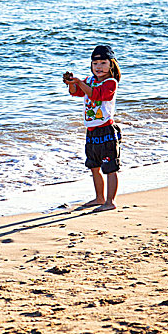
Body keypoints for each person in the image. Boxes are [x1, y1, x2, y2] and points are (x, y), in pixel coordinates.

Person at [63, 45, 122, 212]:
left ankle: (110, 201)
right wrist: (72, 83)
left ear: (111, 64)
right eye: (95, 63)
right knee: (93, 166)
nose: (99, 67)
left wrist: (80, 83)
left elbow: (96, 95)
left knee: (110, 168)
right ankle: (99, 197)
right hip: (91, 131)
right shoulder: (89, 80)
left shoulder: (111, 82)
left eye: (103, 63)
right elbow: (76, 93)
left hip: (107, 130)